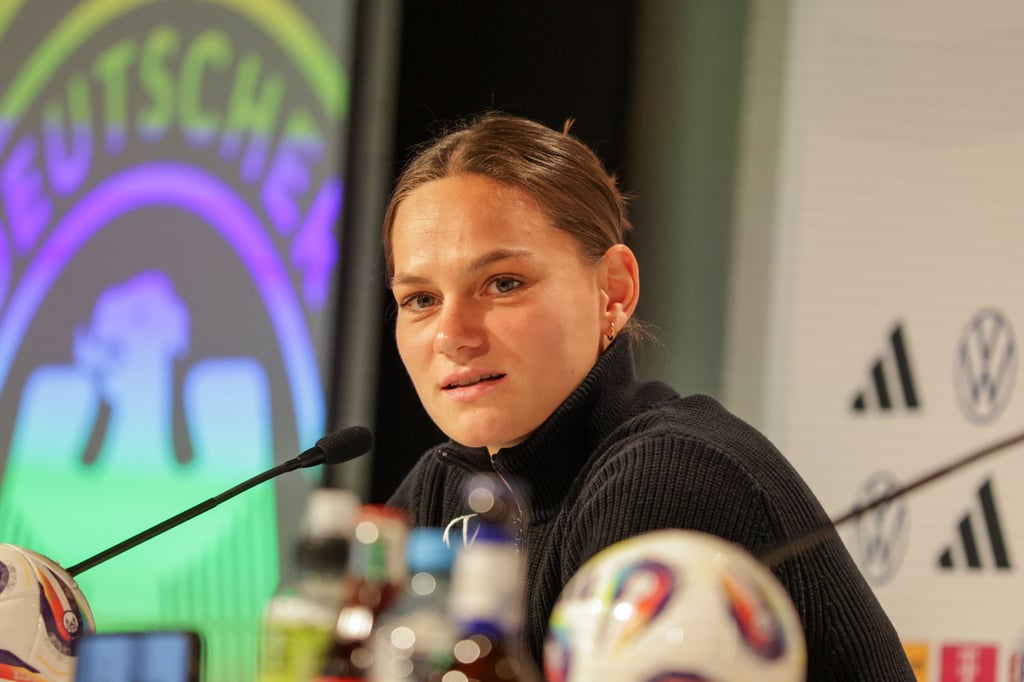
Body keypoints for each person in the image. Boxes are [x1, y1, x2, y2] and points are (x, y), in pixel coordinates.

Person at [384, 112, 915, 680]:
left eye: (503, 284)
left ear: (613, 291)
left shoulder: (671, 476)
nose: (452, 336)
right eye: (420, 299)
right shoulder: (445, 487)